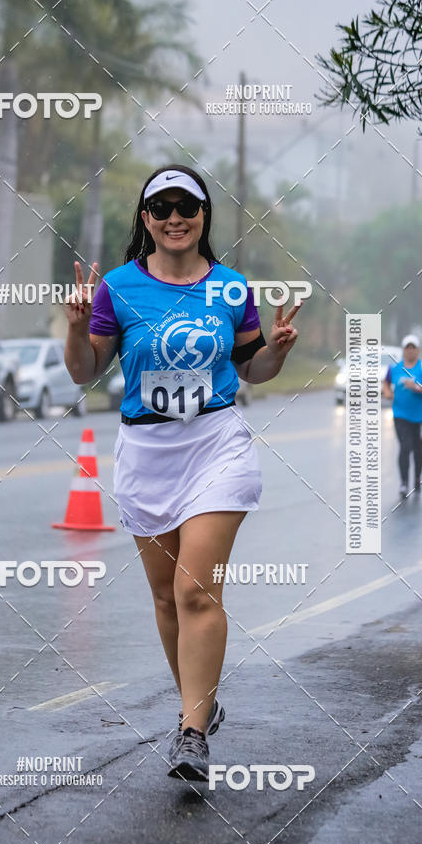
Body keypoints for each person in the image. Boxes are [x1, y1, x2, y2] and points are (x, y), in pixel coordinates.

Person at [63, 165, 300, 781]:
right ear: (145, 219)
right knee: (167, 599)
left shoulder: (230, 288)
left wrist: (275, 348)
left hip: (215, 447)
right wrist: (73, 326)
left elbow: (253, 370)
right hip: (146, 455)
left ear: (203, 217)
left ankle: (191, 732)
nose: (175, 218)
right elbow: (84, 370)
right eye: (161, 207)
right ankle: (201, 701)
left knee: (197, 589)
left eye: (186, 207)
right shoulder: (117, 287)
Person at [382, 334, 422, 499]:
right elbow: (386, 383)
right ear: (403, 350)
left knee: (417, 450)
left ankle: (417, 479)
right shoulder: (395, 368)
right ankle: (404, 483)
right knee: (404, 447)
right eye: (408, 347)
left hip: (420, 417)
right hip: (400, 415)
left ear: (418, 350)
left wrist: (416, 387)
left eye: (413, 347)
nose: (410, 351)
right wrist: (387, 393)